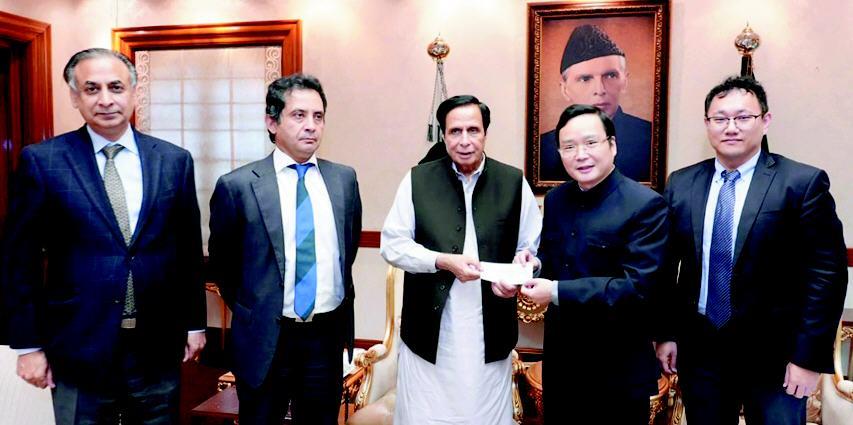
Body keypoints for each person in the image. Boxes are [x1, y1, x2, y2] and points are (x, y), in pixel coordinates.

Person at [1, 48, 206, 424]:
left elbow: (188, 251)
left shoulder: (174, 160)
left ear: (134, 92)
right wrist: (28, 345)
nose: (106, 99)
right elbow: (19, 261)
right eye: (92, 89)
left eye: (116, 87)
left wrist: (195, 323)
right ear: (74, 96)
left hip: (157, 345)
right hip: (78, 345)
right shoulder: (44, 161)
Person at [656, 76, 848, 425]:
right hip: (702, 349)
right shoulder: (681, 184)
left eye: (743, 117)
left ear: (765, 120)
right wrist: (666, 333)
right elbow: (668, 268)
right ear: (707, 124)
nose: (731, 127)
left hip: (776, 355)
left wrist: (806, 359)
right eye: (720, 118)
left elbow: (827, 275)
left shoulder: (801, 183)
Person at [208, 74, 362, 425]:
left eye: (318, 116)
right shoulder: (238, 186)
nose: (311, 126)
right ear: (272, 122)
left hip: (325, 337)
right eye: (298, 115)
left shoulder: (344, 180)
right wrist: (258, 307)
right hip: (266, 338)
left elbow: (347, 251)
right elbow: (224, 267)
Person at [380, 95, 541, 424]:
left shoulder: (513, 182)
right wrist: (440, 260)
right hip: (428, 333)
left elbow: (530, 249)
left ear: (485, 133)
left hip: (489, 331)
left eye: (473, 130)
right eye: (455, 131)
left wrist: (522, 268)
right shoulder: (417, 180)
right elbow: (392, 245)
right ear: (444, 134)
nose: (464, 141)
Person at [520, 104, 668, 423]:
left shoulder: (646, 205)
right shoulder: (557, 200)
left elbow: (636, 288)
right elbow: (552, 258)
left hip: (618, 368)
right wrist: (534, 265)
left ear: (612, 145)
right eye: (569, 147)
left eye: (590, 143)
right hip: (563, 362)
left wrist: (555, 291)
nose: (581, 155)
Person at [540, 24, 652, 183]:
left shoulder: (648, 137)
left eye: (610, 75)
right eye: (585, 79)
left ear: (625, 82)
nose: (600, 90)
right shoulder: (543, 147)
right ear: (565, 89)